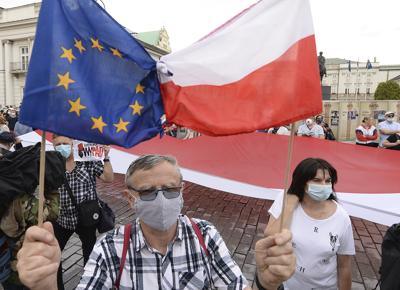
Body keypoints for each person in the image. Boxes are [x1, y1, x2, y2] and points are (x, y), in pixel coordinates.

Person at [17, 154, 296, 290]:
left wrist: (266, 283)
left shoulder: (205, 236)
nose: (162, 199)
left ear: (182, 191)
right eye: (149, 191)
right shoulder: (110, 249)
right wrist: (47, 287)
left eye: (171, 189)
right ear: (129, 199)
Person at [265, 158, 355, 290]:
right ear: (302, 183)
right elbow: (270, 237)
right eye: (317, 181)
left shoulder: (342, 217)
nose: (324, 185)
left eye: (328, 181)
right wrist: (289, 206)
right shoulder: (285, 198)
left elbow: (344, 265)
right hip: (285, 285)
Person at [51, 135, 114, 290]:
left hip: (86, 219)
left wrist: (106, 157)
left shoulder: (87, 160)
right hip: (62, 219)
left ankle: (90, 284)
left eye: (65, 143)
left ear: (73, 143)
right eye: (57, 144)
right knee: (53, 255)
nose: (61, 147)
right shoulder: (52, 164)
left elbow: (108, 178)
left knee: (90, 254)